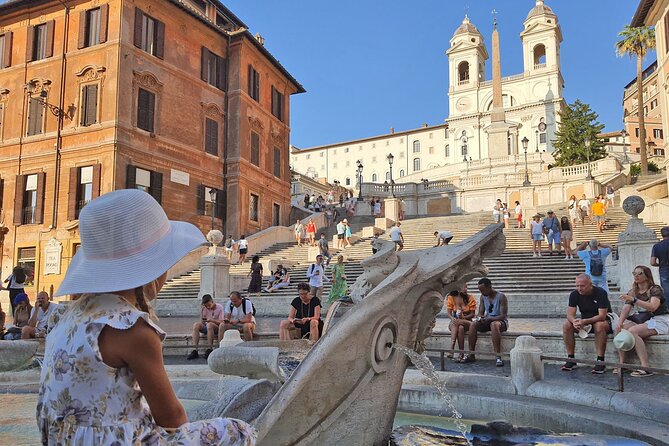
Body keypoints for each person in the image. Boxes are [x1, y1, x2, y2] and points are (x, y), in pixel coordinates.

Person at [37, 189, 256, 444]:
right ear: (153, 268)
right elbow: (172, 417)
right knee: (238, 432)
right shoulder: (132, 329)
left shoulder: (66, 317)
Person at [615, 265, 669, 377]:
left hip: (660, 319)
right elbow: (626, 308)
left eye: (640, 273)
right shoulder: (633, 291)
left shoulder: (655, 289)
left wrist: (635, 300)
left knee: (633, 331)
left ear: (647, 276)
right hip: (645, 319)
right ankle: (623, 363)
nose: (636, 276)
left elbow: (653, 307)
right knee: (620, 330)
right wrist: (620, 322)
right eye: (634, 273)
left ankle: (645, 367)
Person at [561, 274, 613, 374]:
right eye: (577, 286)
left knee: (599, 325)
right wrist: (574, 321)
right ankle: (571, 358)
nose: (579, 288)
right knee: (567, 325)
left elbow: (602, 316)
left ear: (590, 284)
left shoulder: (601, 293)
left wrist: (584, 321)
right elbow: (570, 314)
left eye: (582, 286)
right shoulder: (574, 294)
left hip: (603, 321)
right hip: (585, 322)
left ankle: (600, 360)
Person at [464, 278, 509, 367]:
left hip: (500, 322)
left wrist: (490, 319)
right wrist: (480, 318)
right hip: (488, 320)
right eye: (480, 290)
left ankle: (498, 357)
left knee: (494, 324)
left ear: (489, 287)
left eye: (483, 290)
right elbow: (480, 313)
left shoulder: (501, 296)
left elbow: (503, 315)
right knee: (473, 324)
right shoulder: (483, 297)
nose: (481, 292)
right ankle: (471, 354)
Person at [187, 294, 225, 360]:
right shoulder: (204, 308)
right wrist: (201, 311)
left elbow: (221, 322)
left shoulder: (219, 307)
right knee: (196, 325)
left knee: (210, 324)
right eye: (206, 306)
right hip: (207, 327)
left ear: (212, 301)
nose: (208, 307)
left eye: (209, 305)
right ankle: (195, 349)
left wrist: (212, 320)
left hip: (216, 327)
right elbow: (202, 322)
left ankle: (209, 348)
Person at [446, 290, 477, 362]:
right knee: (460, 327)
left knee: (458, 323)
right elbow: (449, 313)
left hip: (467, 321)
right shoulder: (452, 297)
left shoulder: (469, 297)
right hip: (455, 322)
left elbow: (472, 314)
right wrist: (452, 318)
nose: (465, 289)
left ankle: (452, 348)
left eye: (466, 287)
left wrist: (463, 317)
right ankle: (461, 354)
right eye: (464, 287)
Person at [650, 226, 669, 302]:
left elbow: (652, 262)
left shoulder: (656, 246)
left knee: (666, 291)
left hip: (663, 269)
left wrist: (660, 264)